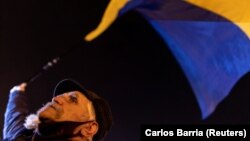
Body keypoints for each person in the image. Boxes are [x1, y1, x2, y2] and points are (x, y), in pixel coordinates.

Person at [3, 79, 113, 141]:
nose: (55, 98)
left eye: (73, 99)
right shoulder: (19, 134)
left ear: (89, 128)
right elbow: (15, 116)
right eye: (61, 95)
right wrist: (16, 92)